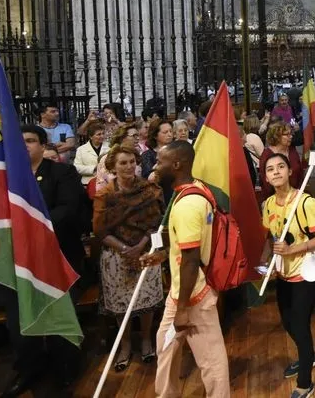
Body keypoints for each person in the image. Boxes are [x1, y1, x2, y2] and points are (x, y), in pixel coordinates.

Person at [0, 125, 85, 397]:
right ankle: (29, 369)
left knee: (56, 313)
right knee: (19, 322)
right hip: (17, 262)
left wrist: (31, 232)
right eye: (19, 141)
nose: (25, 145)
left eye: (31, 140)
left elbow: (67, 210)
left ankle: (65, 369)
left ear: (43, 145)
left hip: (54, 257)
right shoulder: (5, 178)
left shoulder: (62, 172)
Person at [140, 141, 230, 397]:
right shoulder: (196, 188)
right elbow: (188, 245)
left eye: (160, 161)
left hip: (193, 297)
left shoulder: (188, 204)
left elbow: (191, 259)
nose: (156, 167)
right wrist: (162, 255)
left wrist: (182, 310)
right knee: (165, 348)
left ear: (176, 164)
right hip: (180, 292)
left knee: (211, 361)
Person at [259, 152, 315, 398]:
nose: (276, 172)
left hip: (306, 273)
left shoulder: (305, 203)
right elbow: (271, 237)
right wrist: (268, 261)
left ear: (290, 171)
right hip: (283, 274)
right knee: (287, 322)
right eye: (271, 169)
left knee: (300, 326)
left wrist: (293, 249)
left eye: (281, 167)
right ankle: (309, 356)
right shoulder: (268, 205)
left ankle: (305, 382)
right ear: (266, 177)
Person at [93, 145, 165, 371]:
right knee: (120, 303)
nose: (129, 166)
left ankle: (145, 339)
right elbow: (100, 230)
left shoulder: (150, 189)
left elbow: (157, 223)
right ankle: (124, 345)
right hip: (116, 254)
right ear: (113, 167)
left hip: (145, 250)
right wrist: (125, 248)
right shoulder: (105, 195)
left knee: (146, 300)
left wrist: (141, 246)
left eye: (132, 161)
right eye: (123, 163)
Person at [259, 123, 302, 202]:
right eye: (287, 134)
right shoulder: (266, 155)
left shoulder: (292, 150)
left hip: (296, 197)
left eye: (291, 134)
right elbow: (266, 182)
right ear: (277, 137)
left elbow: (300, 173)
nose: (291, 136)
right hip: (275, 199)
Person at [74, 120, 108, 185]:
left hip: (106, 182)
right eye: (99, 134)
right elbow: (77, 167)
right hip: (87, 182)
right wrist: (94, 168)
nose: (102, 136)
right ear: (90, 136)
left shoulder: (109, 147)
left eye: (103, 133)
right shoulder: (81, 149)